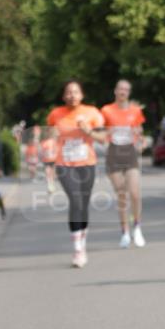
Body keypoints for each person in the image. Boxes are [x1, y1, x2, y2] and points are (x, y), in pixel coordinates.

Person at [46, 80, 105, 268]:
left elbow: (103, 138)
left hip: (87, 164)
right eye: (68, 92)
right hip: (64, 164)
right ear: (64, 96)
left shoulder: (92, 112)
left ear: (82, 95)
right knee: (76, 200)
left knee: (83, 205)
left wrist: (88, 131)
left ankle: (82, 242)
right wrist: (51, 137)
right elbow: (49, 135)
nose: (72, 95)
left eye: (75, 92)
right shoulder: (56, 114)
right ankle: (77, 249)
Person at [100, 80, 147, 248]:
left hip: (130, 153)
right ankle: (125, 232)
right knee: (121, 194)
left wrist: (141, 140)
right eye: (120, 89)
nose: (123, 92)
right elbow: (101, 132)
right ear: (115, 91)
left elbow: (139, 131)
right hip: (113, 153)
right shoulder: (106, 110)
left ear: (129, 92)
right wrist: (105, 134)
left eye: (126, 89)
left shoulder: (135, 110)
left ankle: (137, 227)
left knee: (135, 193)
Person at [39, 128, 58, 194]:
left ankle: (52, 184)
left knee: (53, 173)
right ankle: (50, 185)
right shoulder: (43, 142)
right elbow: (41, 151)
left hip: (53, 159)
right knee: (47, 172)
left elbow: (56, 149)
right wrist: (41, 156)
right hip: (46, 159)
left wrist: (55, 154)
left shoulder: (53, 141)